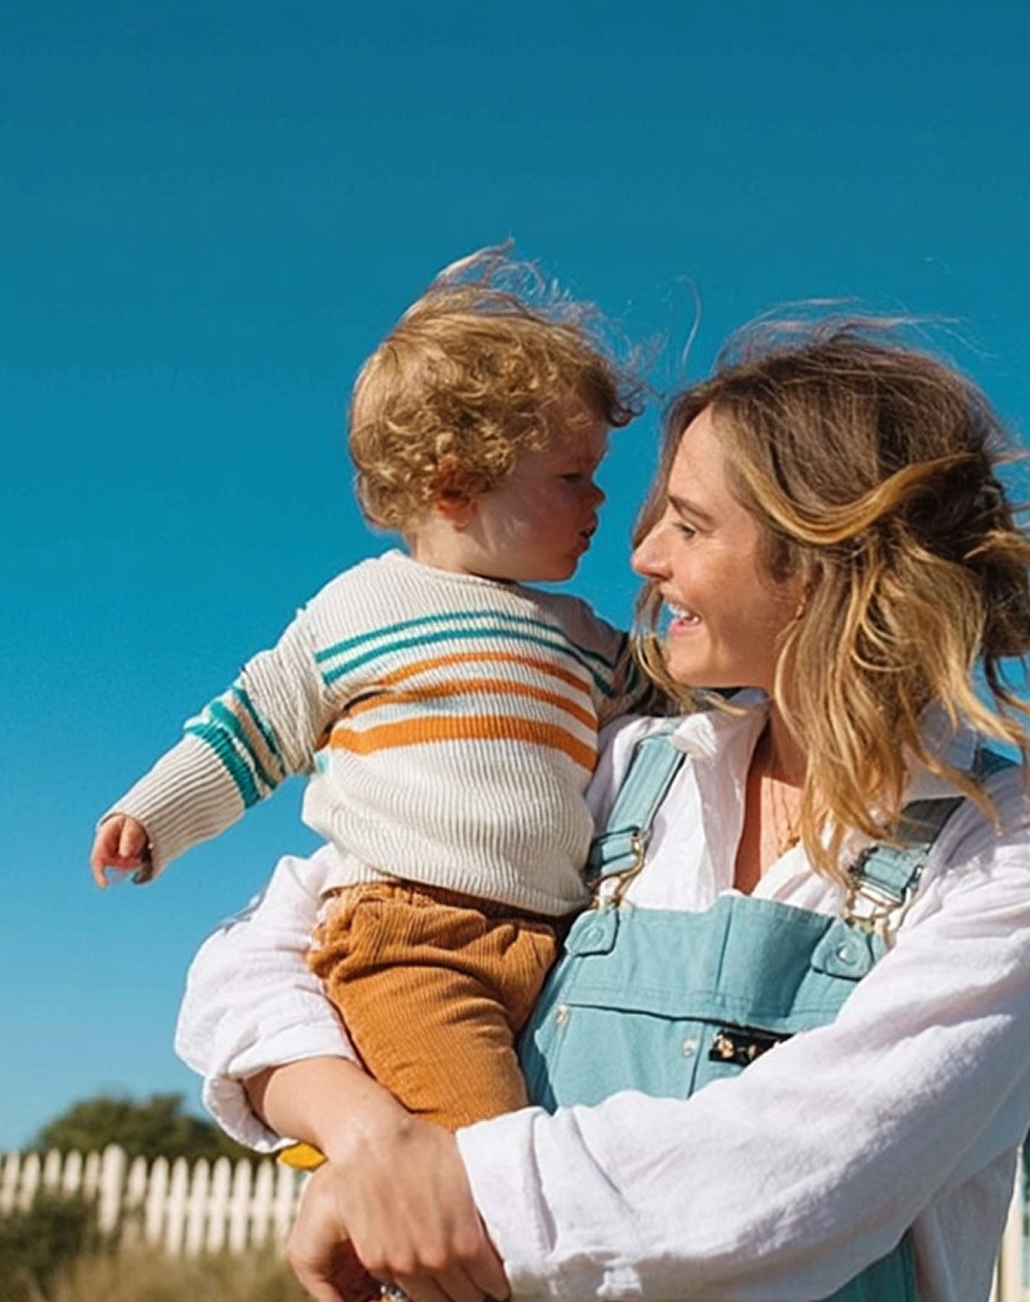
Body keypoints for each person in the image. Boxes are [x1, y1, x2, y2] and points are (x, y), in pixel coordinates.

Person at [176, 320, 1030, 1302]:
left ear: (826, 560)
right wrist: (371, 1142)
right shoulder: (619, 770)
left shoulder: (1020, 848)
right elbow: (257, 952)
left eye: (691, 524)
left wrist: (450, 1186)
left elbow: (803, 1168)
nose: (643, 555)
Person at [94, 247, 649, 1130]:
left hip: (556, 944)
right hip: (413, 943)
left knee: (535, 1156)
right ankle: (410, 1268)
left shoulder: (584, 636)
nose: (600, 500)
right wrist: (153, 814)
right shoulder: (364, 606)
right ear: (457, 487)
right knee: (481, 1161)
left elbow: (682, 712)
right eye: (571, 477)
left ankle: (373, 1247)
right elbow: (254, 723)